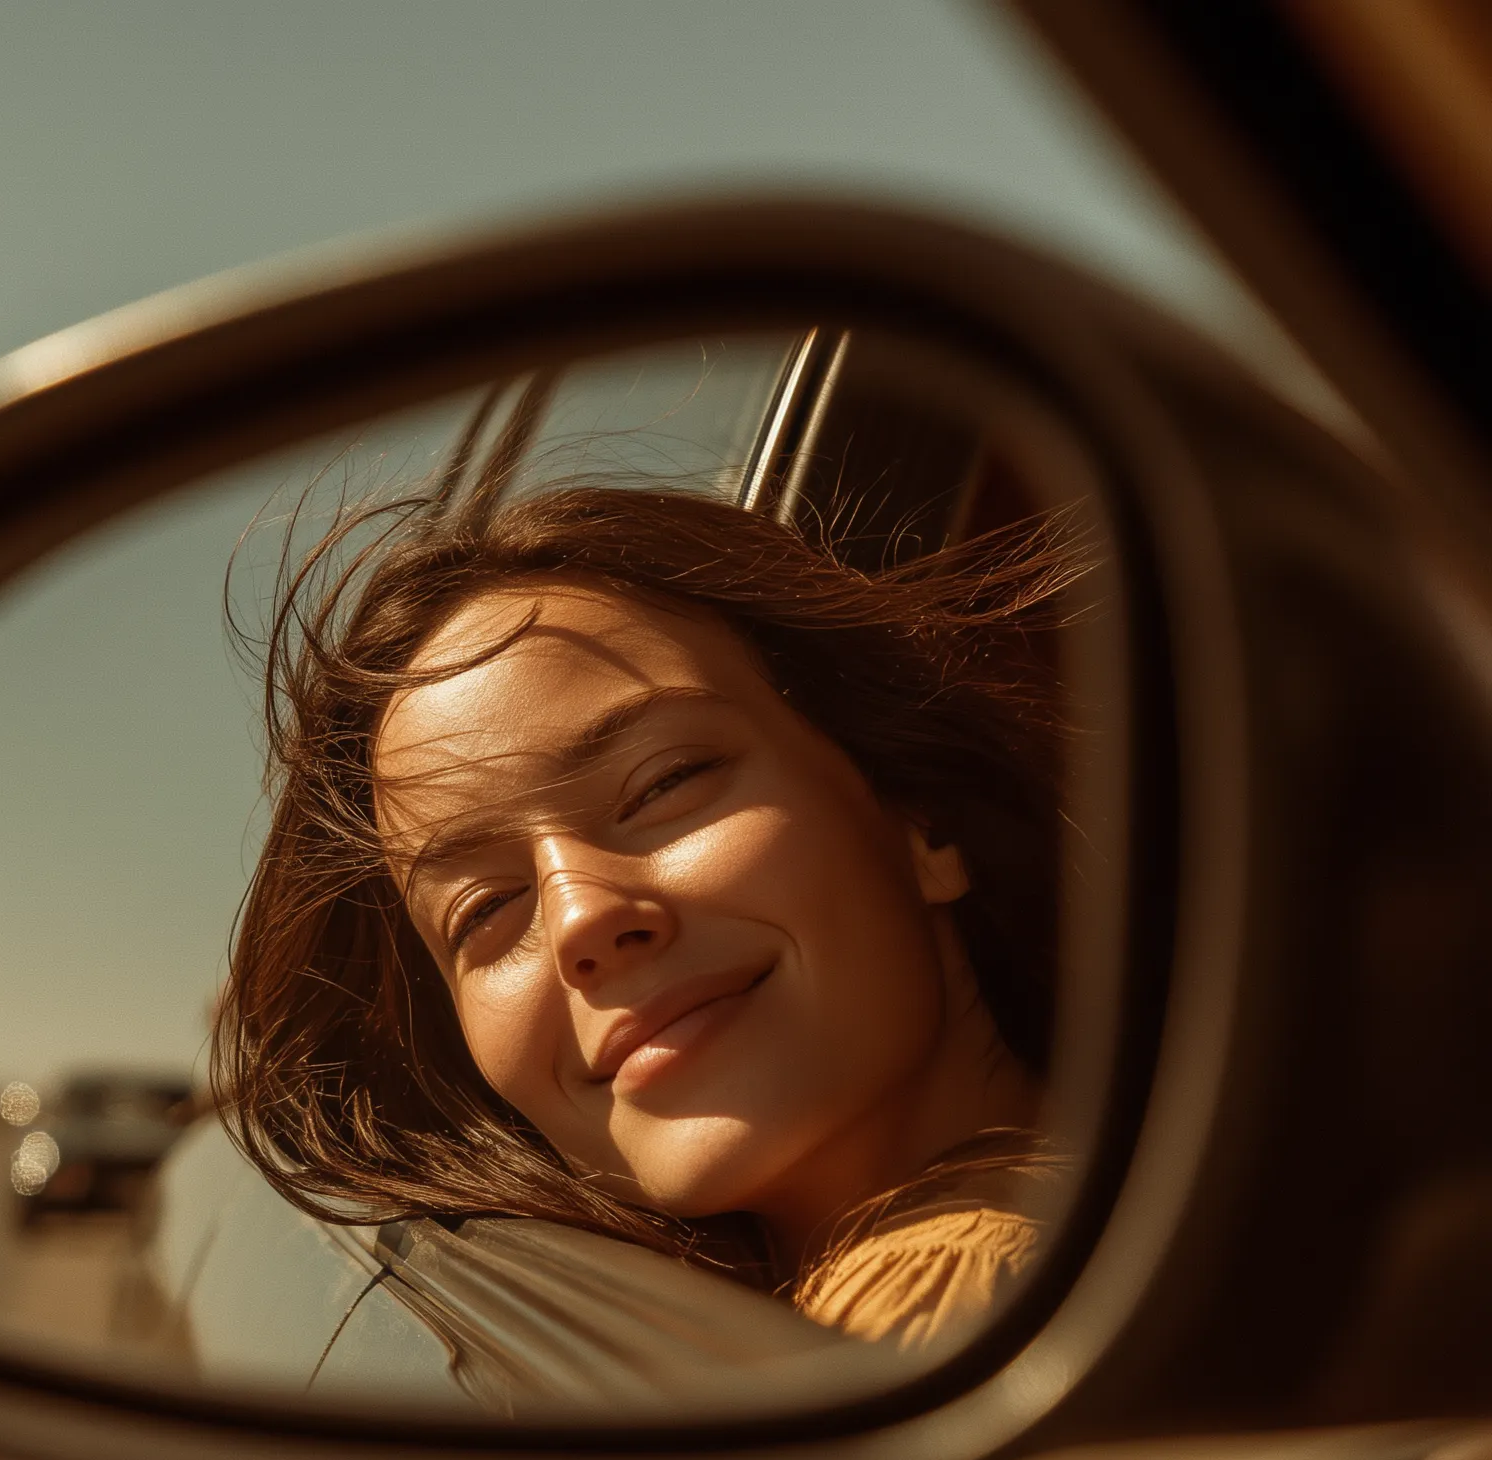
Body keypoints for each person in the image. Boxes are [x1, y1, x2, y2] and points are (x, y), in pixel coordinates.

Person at [213, 479, 1081, 1366]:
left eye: (664, 783)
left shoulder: (953, 1299)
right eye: (484, 909)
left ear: (921, 818)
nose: (581, 920)